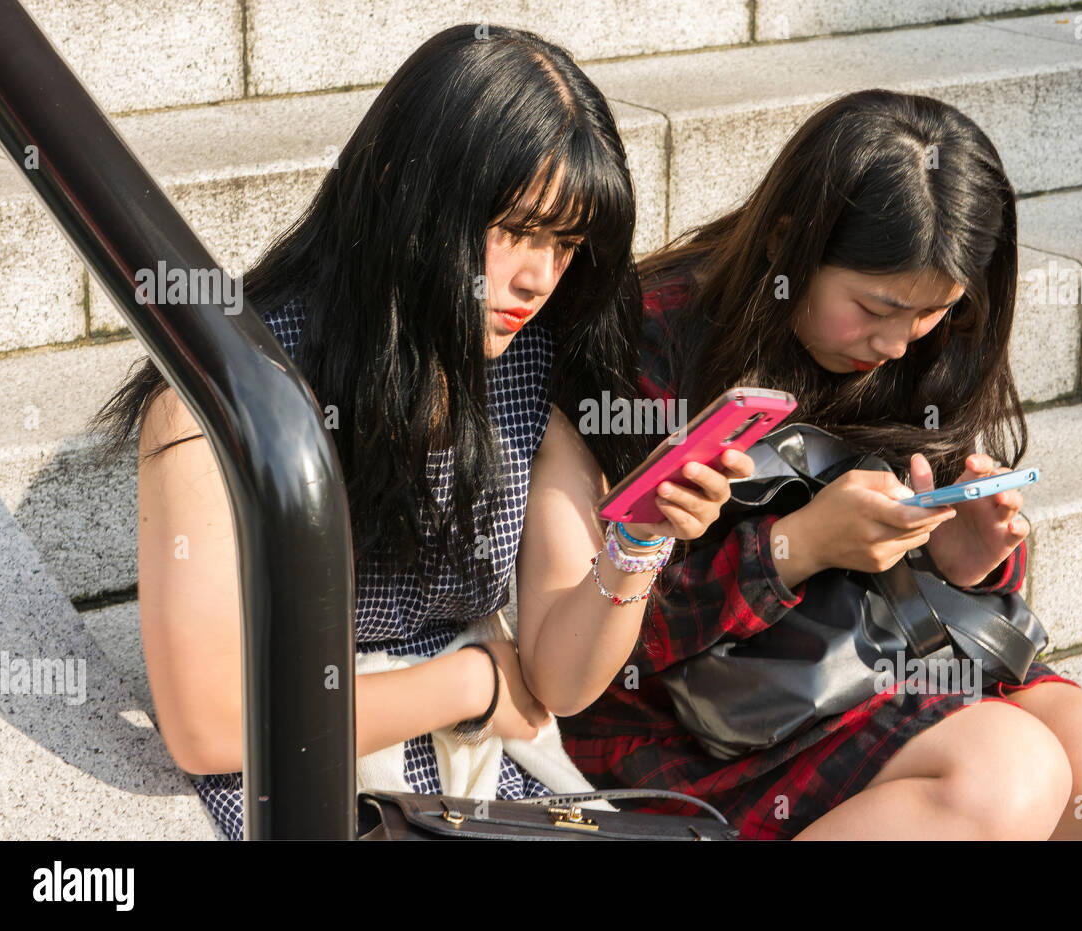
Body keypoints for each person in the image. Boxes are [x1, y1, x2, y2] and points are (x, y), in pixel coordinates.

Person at [88, 24, 751, 840]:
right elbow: (212, 725)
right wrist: (468, 682)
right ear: (410, 191)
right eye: (514, 228)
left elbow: (556, 673)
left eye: (565, 243)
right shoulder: (230, 398)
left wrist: (638, 540)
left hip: (478, 778)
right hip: (310, 777)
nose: (539, 277)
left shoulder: (528, 363)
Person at [558, 89, 1082, 841]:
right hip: (694, 714)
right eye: (874, 306)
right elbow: (606, 634)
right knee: (1008, 772)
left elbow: (950, 572)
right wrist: (797, 548)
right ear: (787, 244)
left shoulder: (934, 338)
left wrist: (966, 560)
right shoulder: (654, 345)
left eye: (928, 312)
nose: (896, 343)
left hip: (878, 655)